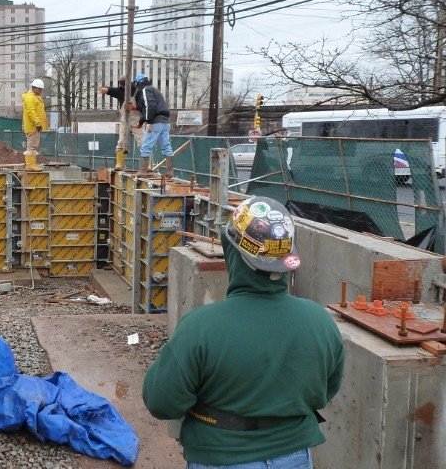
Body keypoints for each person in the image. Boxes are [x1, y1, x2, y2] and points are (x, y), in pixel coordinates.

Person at [142, 196, 345, 469]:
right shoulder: (321, 322)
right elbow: (326, 391)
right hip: (295, 456)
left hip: (222, 457)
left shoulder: (201, 327)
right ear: (287, 259)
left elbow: (161, 401)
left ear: (231, 250)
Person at [132, 73, 173, 175]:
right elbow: (148, 109)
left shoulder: (146, 90)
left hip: (155, 122)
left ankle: (142, 171)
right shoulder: (155, 90)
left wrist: (149, 122)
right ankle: (169, 172)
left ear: (138, 84)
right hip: (165, 122)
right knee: (166, 146)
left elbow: (150, 106)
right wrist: (141, 122)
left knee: (146, 146)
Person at [100, 77, 144, 169]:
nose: (123, 88)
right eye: (122, 86)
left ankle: (146, 165)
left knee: (143, 142)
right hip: (125, 121)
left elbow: (142, 106)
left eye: (124, 86)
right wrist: (104, 89)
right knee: (121, 141)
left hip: (137, 120)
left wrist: (134, 107)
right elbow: (111, 90)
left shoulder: (138, 92)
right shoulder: (120, 91)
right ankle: (119, 164)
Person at [21, 78, 47, 170]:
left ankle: (32, 164)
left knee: (34, 145)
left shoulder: (33, 97)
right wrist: (37, 122)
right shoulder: (30, 98)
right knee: (31, 145)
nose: (40, 91)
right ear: (34, 88)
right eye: (39, 89)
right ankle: (30, 165)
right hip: (33, 126)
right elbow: (31, 112)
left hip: (34, 126)